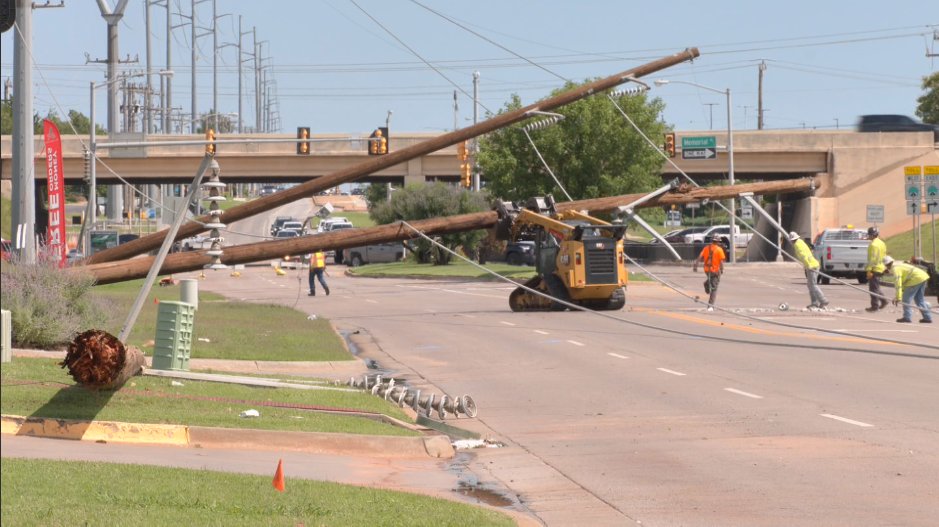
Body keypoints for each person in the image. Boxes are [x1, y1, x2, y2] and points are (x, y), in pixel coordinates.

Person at [884, 256, 933, 323]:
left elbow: (898, 284)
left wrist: (898, 297)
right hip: (922, 277)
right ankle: (927, 318)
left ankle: (907, 317)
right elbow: (904, 284)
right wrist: (898, 296)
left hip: (915, 279)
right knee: (919, 300)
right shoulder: (899, 265)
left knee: (906, 300)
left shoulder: (895, 269)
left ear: (886, 265)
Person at [789, 231, 829, 309]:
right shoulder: (800, 242)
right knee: (810, 285)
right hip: (813, 265)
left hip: (811, 266)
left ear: (792, 240)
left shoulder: (797, 245)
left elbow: (804, 256)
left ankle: (823, 300)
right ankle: (814, 303)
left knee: (813, 285)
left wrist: (809, 265)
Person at [693, 235, 726, 312]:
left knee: (711, 280)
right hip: (715, 271)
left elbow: (699, 257)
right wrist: (722, 269)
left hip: (707, 270)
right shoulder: (719, 250)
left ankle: (707, 283)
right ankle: (710, 306)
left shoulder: (706, 248)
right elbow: (721, 261)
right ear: (718, 242)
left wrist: (695, 266)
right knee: (714, 288)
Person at [864, 226, 889, 312]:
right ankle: (884, 301)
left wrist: (869, 270)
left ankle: (875, 306)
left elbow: (873, 259)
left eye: (869, 235)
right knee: (876, 287)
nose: (869, 236)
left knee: (873, 289)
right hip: (881, 267)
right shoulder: (882, 243)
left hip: (875, 268)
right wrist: (886, 267)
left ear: (872, 235)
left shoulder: (873, 245)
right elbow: (884, 255)